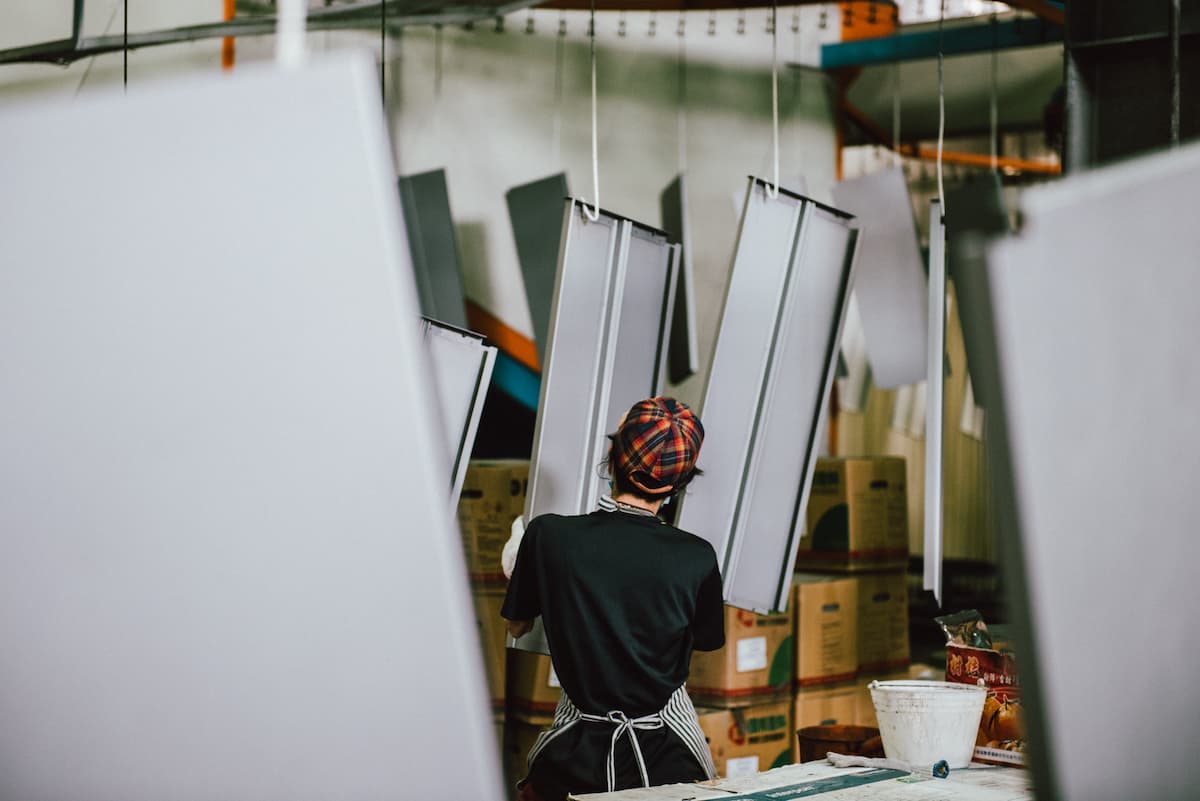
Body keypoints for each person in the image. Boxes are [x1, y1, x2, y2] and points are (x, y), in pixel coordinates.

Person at [502, 397, 725, 801]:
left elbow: (518, 626)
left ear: (611, 455)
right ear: (680, 483)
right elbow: (706, 641)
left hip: (572, 758)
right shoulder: (697, 555)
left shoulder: (549, 537)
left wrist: (523, 566)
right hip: (670, 758)